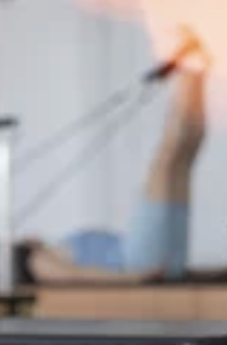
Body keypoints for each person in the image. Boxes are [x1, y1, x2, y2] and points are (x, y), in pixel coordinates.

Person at [16, 35, 215, 285]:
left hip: (151, 259)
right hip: (139, 261)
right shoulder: (38, 261)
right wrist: (133, 278)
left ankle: (196, 73)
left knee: (183, 157)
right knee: (168, 158)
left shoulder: (54, 249)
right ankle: (192, 69)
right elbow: (81, 277)